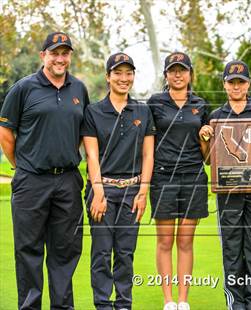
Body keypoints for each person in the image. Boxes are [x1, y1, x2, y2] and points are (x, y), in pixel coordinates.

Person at [0, 31, 89, 309]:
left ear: (70, 56)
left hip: (68, 181)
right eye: (54, 53)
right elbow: (6, 132)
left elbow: (80, 133)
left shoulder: (79, 89)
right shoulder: (24, 88)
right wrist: (22, 166)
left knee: (65, 252)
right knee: (29, 251)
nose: (60, 59)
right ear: (43, 56)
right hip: (31, 181)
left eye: (65, 53)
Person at [81, 53, 155, 309]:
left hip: (132, 192)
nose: (124, 78)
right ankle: (102, 304)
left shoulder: (143, 111)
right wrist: (98, 193)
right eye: (118, 73)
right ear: (108, 77)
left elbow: (148, 154)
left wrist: (143, 191)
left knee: (125, 254)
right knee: (101, 254)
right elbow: (91, 154)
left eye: (128, 73)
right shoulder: (93, 111)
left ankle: (124, 304)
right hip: (102, 191)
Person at [199, 60, 251, 310]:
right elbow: (210, 160)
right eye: (232, 82)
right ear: (225, 85)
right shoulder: (217, 117)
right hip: (228, 192)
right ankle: (235, 302)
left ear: (248, 84)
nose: (236, 86)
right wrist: (205, 138)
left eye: (241, 82)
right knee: (231, 249)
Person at [147, 52, 209, 310]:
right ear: (166, 75)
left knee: (185, 241)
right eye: (172, 70)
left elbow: (208, 156)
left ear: (190, 74)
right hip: (163, 177)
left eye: (182, 70)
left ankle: (183, 300)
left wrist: (206, 138)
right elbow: (147, 143)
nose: (177, 74)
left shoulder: (201, 105)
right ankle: (168, 300)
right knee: (164, 241)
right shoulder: (155, 103)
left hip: (194, 176)